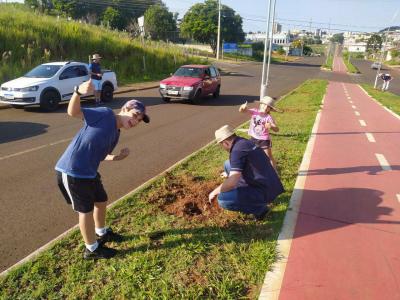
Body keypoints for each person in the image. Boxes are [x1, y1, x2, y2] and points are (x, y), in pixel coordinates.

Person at [55, 79, 150, 260]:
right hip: (72, 170)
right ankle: (91, 249)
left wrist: (116, 157)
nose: (136, 120)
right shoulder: (106, 115)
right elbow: (73, 112)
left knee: (101, 200)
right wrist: (78, 92)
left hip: (89, 172)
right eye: (135, 115)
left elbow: (101, 155)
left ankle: (102, 233)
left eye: (139, 119)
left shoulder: (116, 134)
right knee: (86, 211)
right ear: (125, 109)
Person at [208, 125, 284, 220]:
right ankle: (246, 193)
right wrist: (229, 174)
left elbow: (231, 183)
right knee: (228, 164)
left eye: (221, 145)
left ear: (225, 143)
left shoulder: (236, 151)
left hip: (264, 191)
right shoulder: (243, 142)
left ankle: (261, 210)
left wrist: (214, 192)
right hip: (272, 183)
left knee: (223, 199)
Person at [239, 96, 280, 168]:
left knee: (268, 157)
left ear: (270, 109)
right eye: (264, 105)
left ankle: (274, 171)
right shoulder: (255, 111)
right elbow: (242, 111)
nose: (265, 107)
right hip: (253, 138)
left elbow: (277, 129)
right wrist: (242, 107)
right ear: (260, 104)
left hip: (264, 140)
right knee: (251, 154)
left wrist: (271, 126)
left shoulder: (268, 117)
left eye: (268, 107)